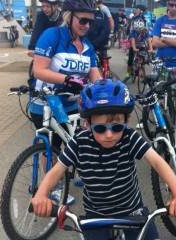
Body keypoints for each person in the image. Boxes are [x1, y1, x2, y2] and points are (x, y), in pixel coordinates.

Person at [31, 79, 176, 239]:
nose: (109, 135)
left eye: (117, 127)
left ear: (126, 121)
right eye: (99, 128)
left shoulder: (129, 138)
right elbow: (56, 171)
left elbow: (157, 162)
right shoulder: (79, 142)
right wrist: (41, 194)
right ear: (87, 124)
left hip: (132, 212)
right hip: (95, 216)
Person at [29, 0, 102, 201]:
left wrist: (107, 92)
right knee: (52, 147)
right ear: (69, 16)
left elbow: (96, 77)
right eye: (83, 20)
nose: (87, 25)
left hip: (71, 105)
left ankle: (79, 171)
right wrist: (67, 79)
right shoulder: (52, 36)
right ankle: (54, 186)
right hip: (45, 103)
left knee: (78, 140)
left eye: (90, 22)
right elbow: (39, 70)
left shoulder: (87, 46)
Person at [152, 0, 176, 130]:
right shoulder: (160, 20)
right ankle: (147, 117)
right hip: (161, 60)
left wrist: (163, 39)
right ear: (167, 5)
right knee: (153, 90)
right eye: (171, 5)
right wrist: (173, 42)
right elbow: (154, 43)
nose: (174, 8)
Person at [123, 18, 153, 82]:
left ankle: (144, 77)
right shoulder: (133, 31)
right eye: (137, 30)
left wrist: (151, 49)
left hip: (142, 46)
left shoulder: (146, 31)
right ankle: (128, 74)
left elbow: (149, 41)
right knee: (130, 60)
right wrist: (134, 48)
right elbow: (133, 40)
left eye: (140, 30)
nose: (138, 31)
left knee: (142, 62)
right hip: (134, 45)